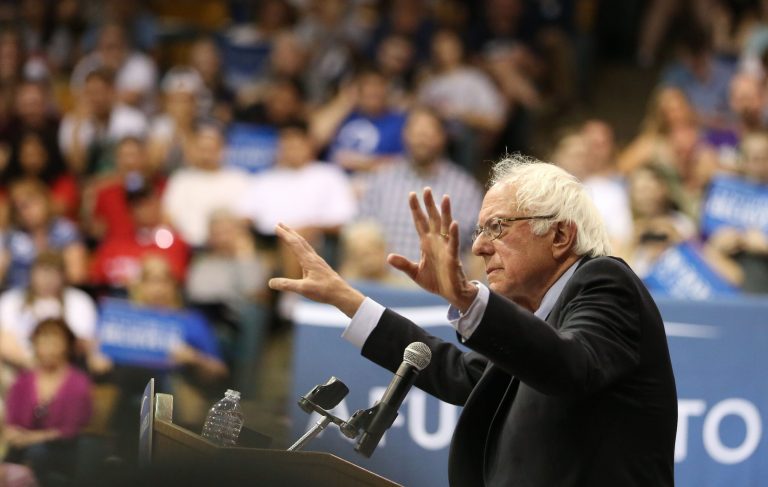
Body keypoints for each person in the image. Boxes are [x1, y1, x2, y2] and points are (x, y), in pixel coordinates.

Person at [269, 155, 678, 486]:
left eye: (496, 227)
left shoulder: (605, 281)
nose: (479, 246)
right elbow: (464, 373)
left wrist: (468, 298)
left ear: (560, 237)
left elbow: (572, 366)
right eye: (480, 230)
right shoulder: (541, 322)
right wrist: (348, 300)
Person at [3, 318, 93, 484]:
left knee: (37, 452)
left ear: (67, 346)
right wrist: (13, 432)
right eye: (43, 342)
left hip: (63, 450)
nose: (48, 349)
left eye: (55, 342)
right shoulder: (24, 380)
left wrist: (33, 438)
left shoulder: (78, 382)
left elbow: (71, 429)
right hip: (22, 446)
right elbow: (12, 419)